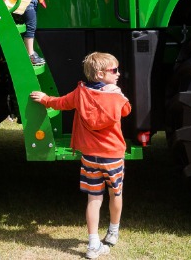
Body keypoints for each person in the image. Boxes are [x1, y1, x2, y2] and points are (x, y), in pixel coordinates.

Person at [30, 53, 131, 259]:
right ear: (101, 74)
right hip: (112, 155)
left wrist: (45, 99)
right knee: (115, 193)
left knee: (94, 198)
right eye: (114, 71)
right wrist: (118, 93)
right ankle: (113, 232)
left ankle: (93, 244)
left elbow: (61, 103)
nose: (118, 74)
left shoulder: (80, 93)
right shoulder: (116, 96)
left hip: (90, 157)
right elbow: (126, 111)